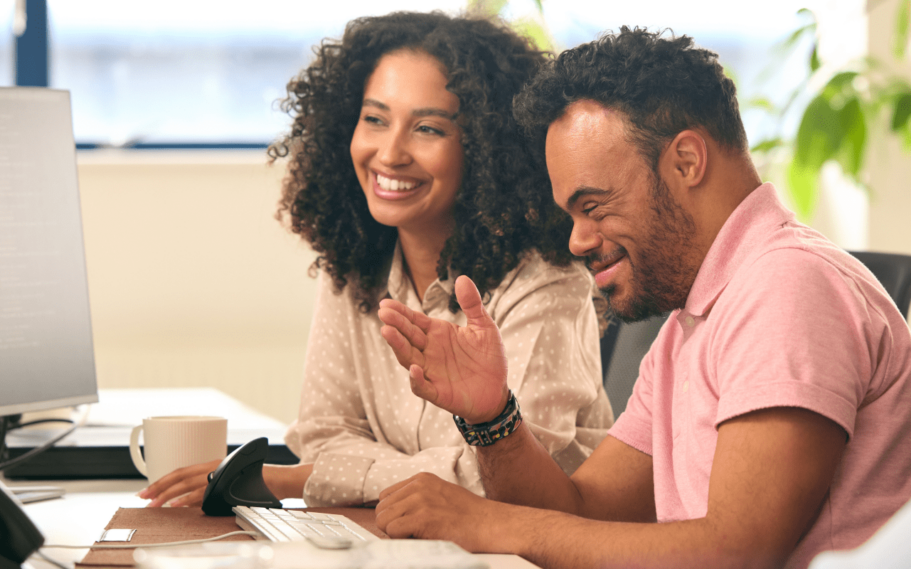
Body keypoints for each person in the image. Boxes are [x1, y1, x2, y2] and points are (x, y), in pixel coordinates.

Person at [374, 27, 911, 569]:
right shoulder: (694, 316)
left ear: (685, 161)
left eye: (595, 206)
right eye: (571, 215)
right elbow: (583, 511)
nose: (577, 240)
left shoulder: (787, 285)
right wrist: (493, 418)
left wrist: (488, 523)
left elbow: (737, 552)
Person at [137, 11, 613, 509]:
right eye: (375, 119)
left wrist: (297, 480)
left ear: (487, 149)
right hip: (400, 538)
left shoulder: (546, 284)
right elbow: (323, 435)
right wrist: (350, 472)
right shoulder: (354, 263)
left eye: (427, 128)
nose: (389, 153)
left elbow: (497, 475)